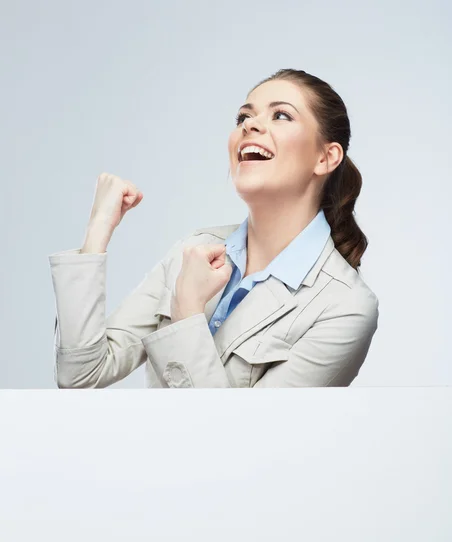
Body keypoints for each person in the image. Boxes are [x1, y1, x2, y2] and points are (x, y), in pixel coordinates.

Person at [48, 68, 379, 388]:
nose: (250, 125)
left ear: (326, 157)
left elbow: (234, 440)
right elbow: (80, 375)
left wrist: (188, 310)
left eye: (280, 115)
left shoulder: (345, 307)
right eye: (243, 117)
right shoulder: (192, 250)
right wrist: (98, 231)